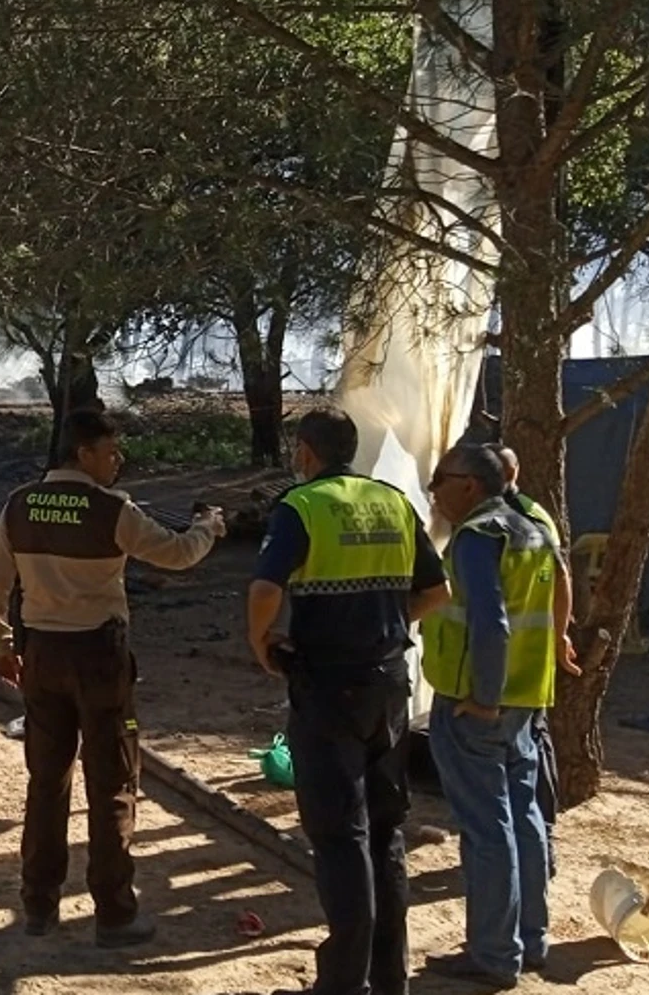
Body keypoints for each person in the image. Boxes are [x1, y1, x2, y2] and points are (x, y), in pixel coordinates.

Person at [0, 408, 227, 948]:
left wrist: (0, 645)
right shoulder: (112, 510)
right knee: (112, 783)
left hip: (40, 655)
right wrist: (207, 527)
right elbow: (178, 555)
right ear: (83, 453)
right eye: (111, 452)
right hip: (99, 658)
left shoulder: (19, 505)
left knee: (47, 783)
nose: (118, 461)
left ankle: (38, 905)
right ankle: (114, 913)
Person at [246, 406, 449, 995]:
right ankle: (390, 978)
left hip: (328, 691)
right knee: (386, 831)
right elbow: (437, 591)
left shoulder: (302, 506)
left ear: (306, 452)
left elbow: (264, 589)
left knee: (340, 836)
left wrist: (261, 642)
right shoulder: (394, 503)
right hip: (389, 688)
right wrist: (387, 623)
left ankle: (342, 983)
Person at [419, 443, 563, 989]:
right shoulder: (532, 529)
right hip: (525, 700)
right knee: (524, 817)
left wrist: (482, 697)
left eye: (440, 480)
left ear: (470, 485)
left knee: (486, 829)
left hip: (478, 706)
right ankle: (530, 940)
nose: (434, 490)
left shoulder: (479, 536)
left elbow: (491, 622)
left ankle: (495, 954)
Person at [492, 444, 582, 878]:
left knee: (524, 757)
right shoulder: (525, 515)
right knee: (527, 751)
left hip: (516, 664)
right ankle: (534, 847)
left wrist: (559, 635)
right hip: (522, 661)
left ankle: (536, 846)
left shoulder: (515, 518)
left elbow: (561, 577)